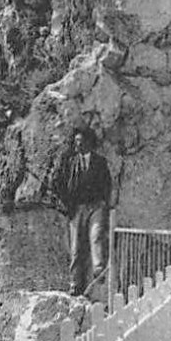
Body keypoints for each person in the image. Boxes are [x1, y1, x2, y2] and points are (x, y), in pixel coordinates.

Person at [50, 126, 112, 296]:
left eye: (81, 141)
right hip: (77, 207)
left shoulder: (100, 161)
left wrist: (104, 202)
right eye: (76, 141)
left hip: (95, 206)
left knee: (96, 236)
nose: (77, 145)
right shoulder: (70, 162)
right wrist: (66, 202)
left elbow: (107, 183)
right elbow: (57, 182)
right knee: (76, 247)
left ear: (89, 142)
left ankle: (99, 271)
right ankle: (75, 283)